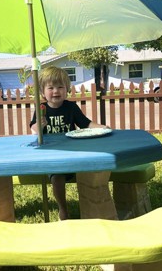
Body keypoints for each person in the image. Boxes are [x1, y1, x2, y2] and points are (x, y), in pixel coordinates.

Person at [30, 66, 109, 220]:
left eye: (60, 87)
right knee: (57, 177)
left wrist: (102, 127)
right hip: (52, 154)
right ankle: (63, 209)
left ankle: (92, 206)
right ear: (42, 91)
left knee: (90, 170)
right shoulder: (42, 109)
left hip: (73, 152)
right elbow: (33, 129)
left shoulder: (71, 107)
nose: (56, 91)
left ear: (67, 88)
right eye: (50, 87)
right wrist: (40, 124)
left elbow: (85, 123)